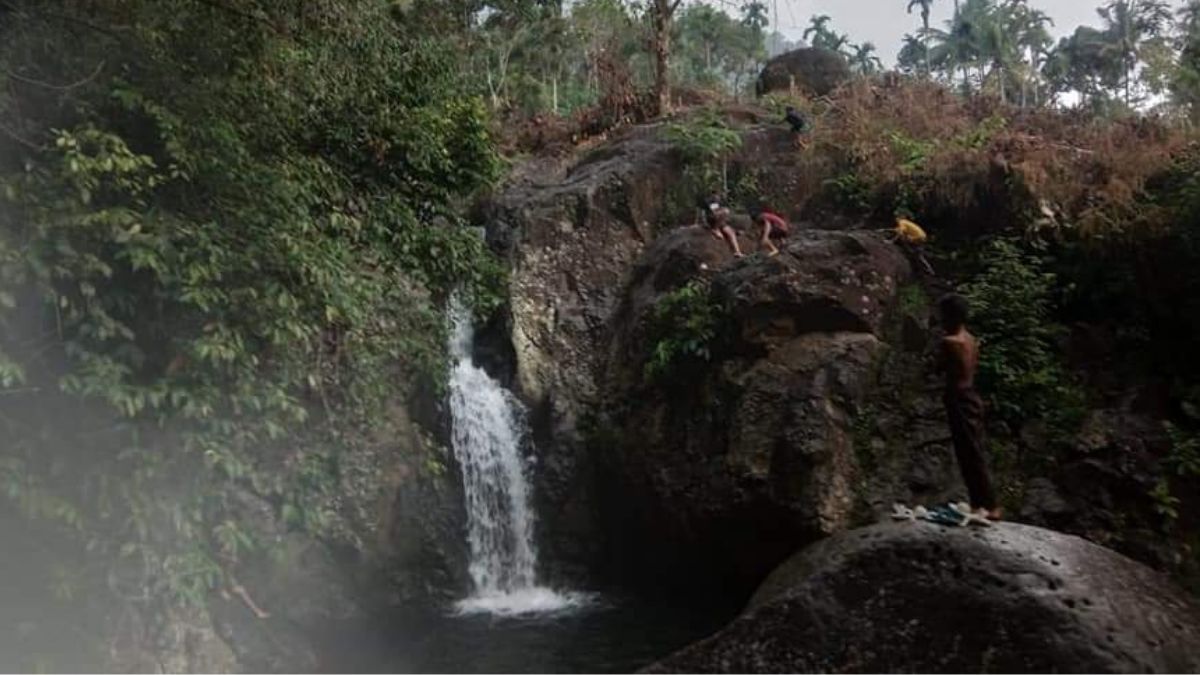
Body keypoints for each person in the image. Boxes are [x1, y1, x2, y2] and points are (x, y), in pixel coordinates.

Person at [938, 294, 1001, 520]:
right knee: (973, 452)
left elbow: (939, 367)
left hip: (959, 398)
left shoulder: (950, 342)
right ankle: (980, 504)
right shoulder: (971, 339)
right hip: (972, 396)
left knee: (969, 454)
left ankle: (990, 506)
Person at [698, 193, 743, 258]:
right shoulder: (710, 202)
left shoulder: (720, 202)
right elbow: (711, 213)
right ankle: (715, 229)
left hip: (721, 221)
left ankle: (737, 251)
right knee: (725, 211)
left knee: (730, 232)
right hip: (712, 220)